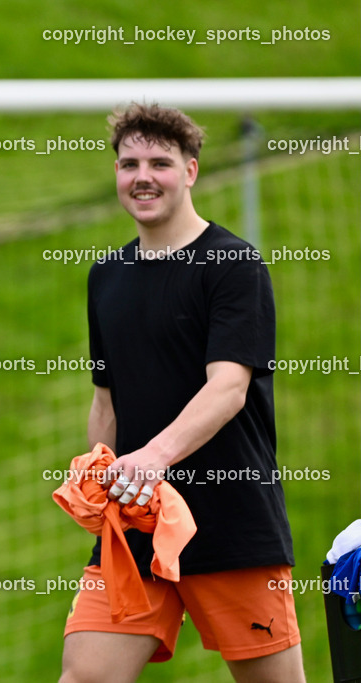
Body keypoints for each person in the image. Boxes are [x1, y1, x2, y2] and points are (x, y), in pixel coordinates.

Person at [59, 103, 305, 682]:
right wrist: (103, 474)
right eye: (128, 163)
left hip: (231, 522)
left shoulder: (232, 264)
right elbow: (107, 401)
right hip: (136, 529)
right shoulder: (106, 276)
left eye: (160, 162)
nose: (142, 176)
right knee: (83, 676)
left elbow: (229, 388)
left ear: (191, 170)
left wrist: (151, 458)